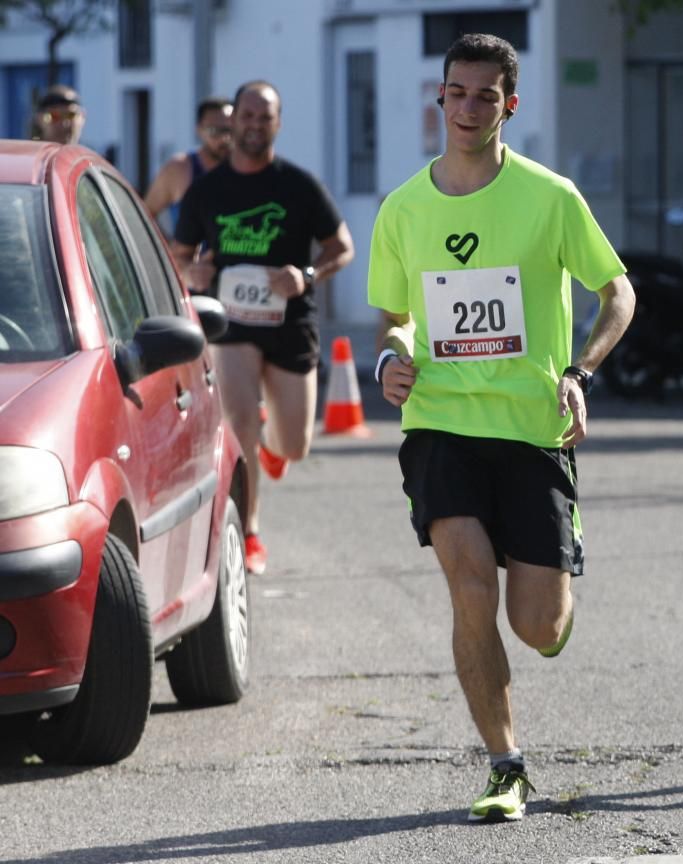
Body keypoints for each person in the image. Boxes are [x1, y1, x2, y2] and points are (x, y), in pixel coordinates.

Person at [368, 33, 634, 823]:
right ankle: (504, 764)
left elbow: (616, 290)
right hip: (440, 424)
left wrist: (580, 372)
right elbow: (397, 318)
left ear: (509, 106)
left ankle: (555, 593)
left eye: (488, 95)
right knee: (470, 588)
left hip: (531, 428)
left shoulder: (550, 197)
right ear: (439, 98)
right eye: (458, 91)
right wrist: (391, 358)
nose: (470, 106)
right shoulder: (403, 208)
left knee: (537, 624)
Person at [172, 80, 354, 576]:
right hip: (231, 324)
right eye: (246, 116)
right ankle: (250, 532)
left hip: (290, 321)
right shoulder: (207, 190)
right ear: (233, 122)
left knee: (294, 444)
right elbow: (179, 253)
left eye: (264, 117)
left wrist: (307, 276)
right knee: (238, 421)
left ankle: (274, 450)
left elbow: (342, 246)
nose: (253, 125)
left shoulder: (297, 185)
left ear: (277, 123)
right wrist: (193, 274)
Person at [145, 96, 234, 227]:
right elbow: (146, 215)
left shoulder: (247, 169)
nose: (224, 138)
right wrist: (166, 245)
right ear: (199, 130)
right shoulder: (179, 169)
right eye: (214, 131)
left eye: (230, 130)